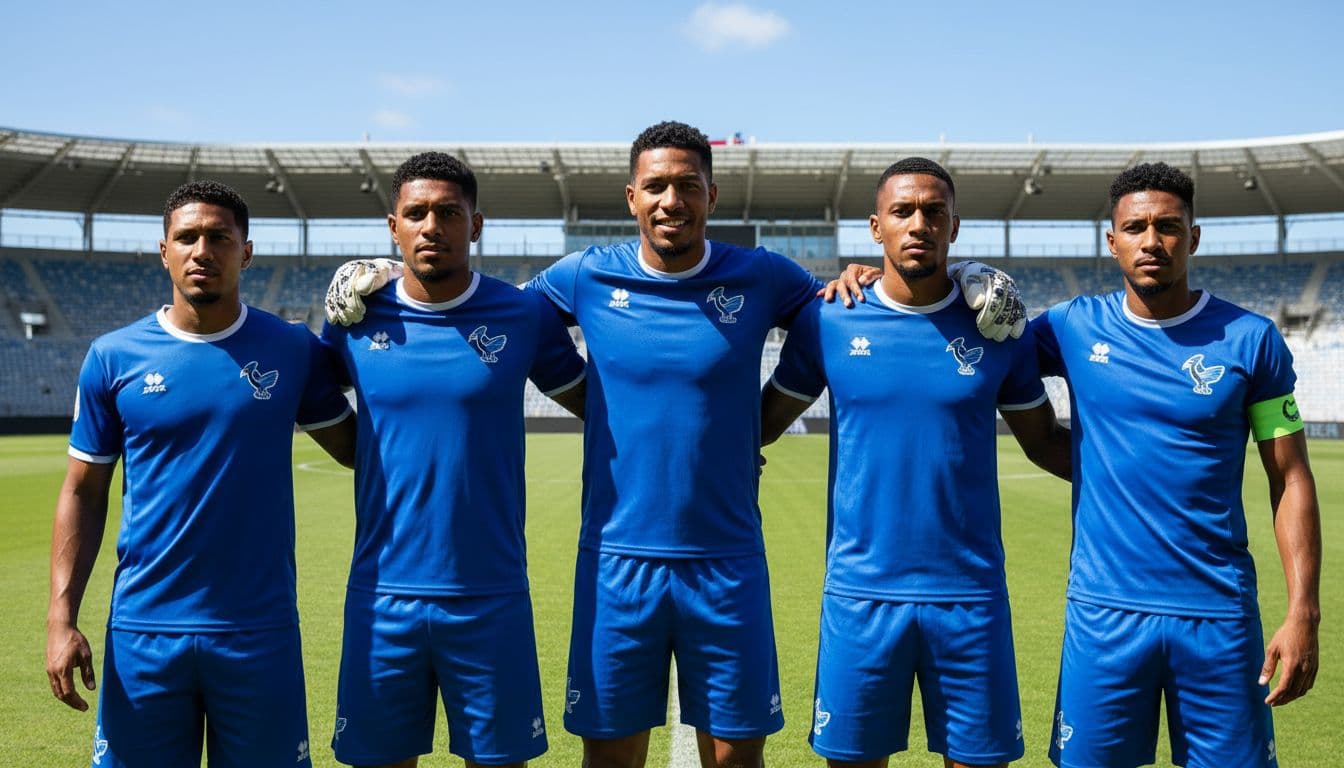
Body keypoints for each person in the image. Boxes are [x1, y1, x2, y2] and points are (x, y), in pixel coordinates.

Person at [325, 122, 1028, 768]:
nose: (671, 200)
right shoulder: (582, 277)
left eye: (687, 185)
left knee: (733, 759)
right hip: (615, 562)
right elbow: (476, 302)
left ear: (711, 195)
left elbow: (858, 302)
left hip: (727, 562)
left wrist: (967, 275)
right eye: (656, 186)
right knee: (611, 759)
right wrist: (385, 275)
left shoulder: (764, 276)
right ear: (632, 198)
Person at [759, 157, 1070, 768]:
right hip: (860, 595)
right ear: (877, 228)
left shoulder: (998, 326)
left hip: (970, 596)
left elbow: (1044, 441)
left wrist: (1155, 475)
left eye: (934, 212)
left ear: (955, 227)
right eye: (903, 212)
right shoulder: (828, 318)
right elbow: (757, 425)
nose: (919, 223)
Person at [45, 180, 356, 768]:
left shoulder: (290, 348)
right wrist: (62, 619)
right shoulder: (113, 357)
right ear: (164, 251)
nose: (202, 250)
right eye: (186, 237)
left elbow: (357, 450)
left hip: (257, 630)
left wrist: (385, 304)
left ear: (247, 252)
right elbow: (83, 494)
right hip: (143, 631)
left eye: (219, 237)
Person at [1032, 163, 1321, 767]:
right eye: (1135, 227)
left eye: (1168, 226)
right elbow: (966, 337)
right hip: (1104, 615)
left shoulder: (1252, 339)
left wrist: (1303, 612)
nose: (1152, 240)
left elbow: (1289, 477)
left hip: (1218, 615)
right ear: (1111, 241)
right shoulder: (1070, 328)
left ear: (1193, 236)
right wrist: (867, 278)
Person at [319, 152, 586, 768]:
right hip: (382, 595)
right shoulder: (355, 315)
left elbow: (597, 404)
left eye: (448, 212)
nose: (431, 226)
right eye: (415, 213)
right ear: (394, 226)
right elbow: (297, 393)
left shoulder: (523, 314)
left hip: (489, 593)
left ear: (477, 223)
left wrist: (719, 447)